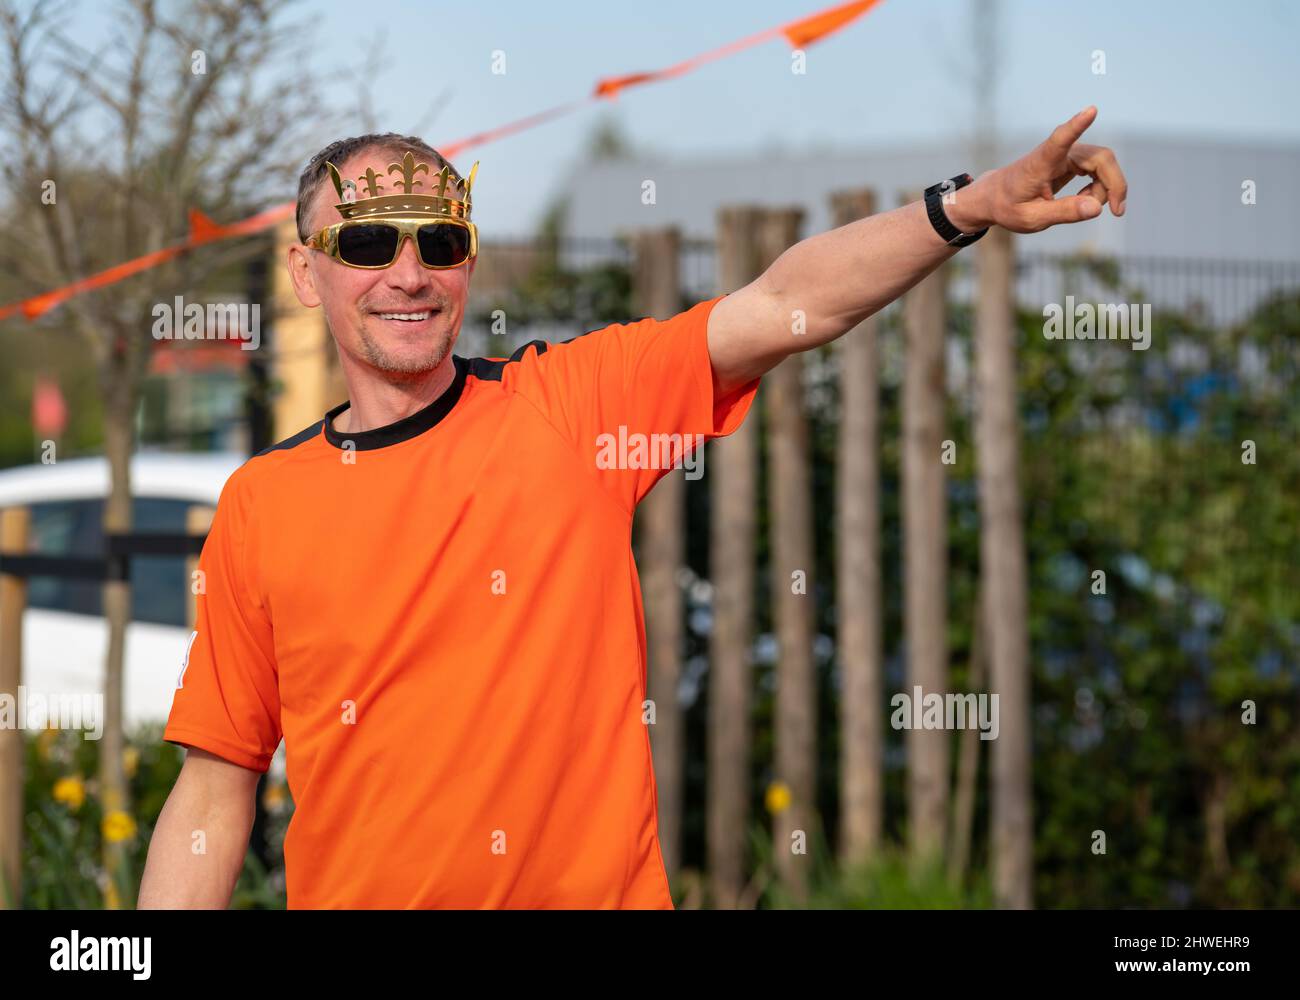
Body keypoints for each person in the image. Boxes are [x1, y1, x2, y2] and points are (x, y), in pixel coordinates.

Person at [139, 107, 1126, 909]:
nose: (409, 273)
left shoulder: (568, 409)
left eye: (438, 241)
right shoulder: (262, 503)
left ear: (467, 264)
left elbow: (792, 303)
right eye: (366, 244)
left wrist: (971, 205)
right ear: (305, 273)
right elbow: (214, 788)